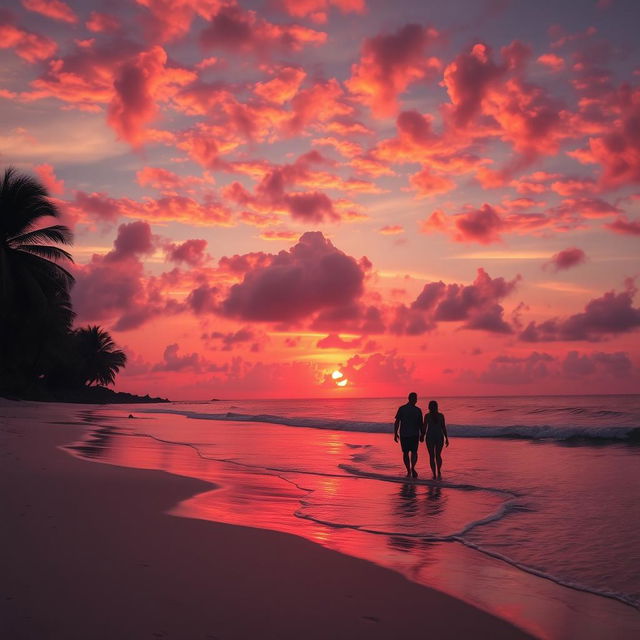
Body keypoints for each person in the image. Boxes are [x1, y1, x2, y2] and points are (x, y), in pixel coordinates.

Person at [393, 392, 423, 478]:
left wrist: (395, 434)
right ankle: (411, 468)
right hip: (411, 434)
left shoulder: (403, 409)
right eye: (415, 398)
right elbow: (397, 422)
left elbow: (397, 422)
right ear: (411, 399)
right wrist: (422, 435)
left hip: (407, 434)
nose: (416, 400)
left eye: (416, 398)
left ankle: (410, 469)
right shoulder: (416, 410)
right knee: (412, 452)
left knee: (407, 453)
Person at [424, 400, 449, 480]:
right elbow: (443, 427)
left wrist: (421, 436)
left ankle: (434, 473)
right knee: (438, 455)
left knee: (432, 456)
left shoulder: (427, 416)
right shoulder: (440, 415)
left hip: (431, 437)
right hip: (438, 437)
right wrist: (446, 438)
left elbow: (424, 428)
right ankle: (438, 471)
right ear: (437, 407)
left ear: (429, 407)